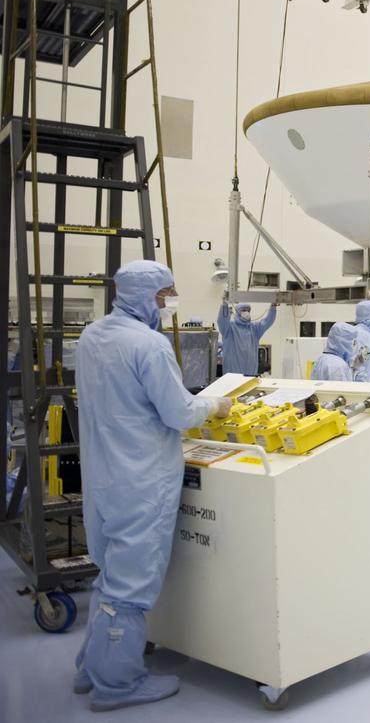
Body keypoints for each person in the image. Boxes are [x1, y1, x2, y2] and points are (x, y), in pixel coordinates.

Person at [73, 261, 232, 710]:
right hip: (141, 479)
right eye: (166, 294)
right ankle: (117, 684)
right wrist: (214, 405)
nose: (169, 302)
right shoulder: (149, 344)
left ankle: (91, 668)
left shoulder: (92, 336)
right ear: (147, 295)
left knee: (110, 576)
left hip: (103, 476)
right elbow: (178, 413)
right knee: (129, 587)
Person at [217, 299, 277, 376]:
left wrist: (273, 307)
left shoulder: (254, 329)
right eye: (243, 310)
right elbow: (222, 320)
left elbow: (267, 322)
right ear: (237, 312)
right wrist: (224, 305)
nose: (247, 312)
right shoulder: (229, 328)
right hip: (232, 375)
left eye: (248, 310)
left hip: (250, 375)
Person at [353, 300, 370, 382]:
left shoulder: (362, 332)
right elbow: (358, 364)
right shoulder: (363, 336)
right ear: (369, 318)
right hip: (364, 386)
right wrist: (364, 385)